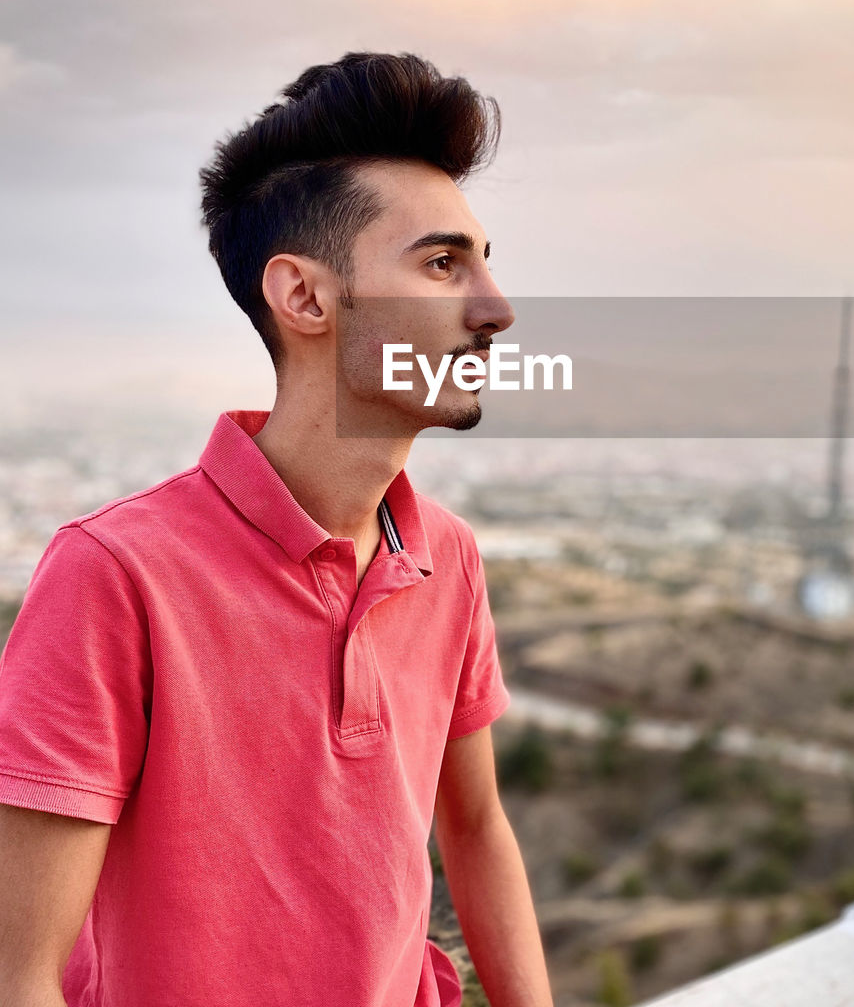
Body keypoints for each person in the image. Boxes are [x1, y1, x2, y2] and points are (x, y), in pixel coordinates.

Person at [0, 52, 555, 1007]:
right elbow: (25, 977)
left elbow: (476, 830)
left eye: (482, 262)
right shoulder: (115, 574)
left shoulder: (447, 557)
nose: (494, 310)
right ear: (304, 297)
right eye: (440, 263)